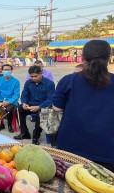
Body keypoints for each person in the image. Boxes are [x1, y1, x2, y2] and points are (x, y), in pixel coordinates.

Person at [52, 40, 114, 172]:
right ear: (109, 58)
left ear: (82, 58)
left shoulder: (68, 80)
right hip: (107, 152)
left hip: (70, 149)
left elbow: (57, 108)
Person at [14, 66, 55, 145]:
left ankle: (36, 136)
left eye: (35, 76)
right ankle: (24, 133)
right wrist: (24, 103)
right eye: (31, 76)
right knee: (17, 109)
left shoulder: (50, 84)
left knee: (41, 113)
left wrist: (39, 107)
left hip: (43, 106)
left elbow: (51, 99)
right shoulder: (28, 83)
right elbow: (24, 95)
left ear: (41, 74)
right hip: (30, 105)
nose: (33, 78)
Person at [0, 64, 20, 133]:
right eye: (5, 70)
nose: (6, 71)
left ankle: (9, 124)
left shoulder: (16, 81)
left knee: (8, 109)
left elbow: (16, 95)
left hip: (11, 101)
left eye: (8, 70)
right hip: (0, 100)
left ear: (11, 71)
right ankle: (1, 124)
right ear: (2, 71)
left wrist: (8, 102)